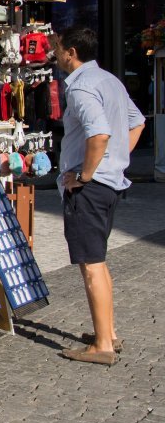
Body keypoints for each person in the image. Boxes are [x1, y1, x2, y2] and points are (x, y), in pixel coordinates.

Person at [54, 26, 144, 366]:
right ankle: (108, 332)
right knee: (98, 261)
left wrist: (85, 174)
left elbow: (100, 133)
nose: (55, 51)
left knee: (91, 264)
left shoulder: (81, 87)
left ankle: (103, 344)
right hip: (108, 183)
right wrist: (116, 162)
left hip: (90, 188)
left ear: (72, 52)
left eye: (58, 46)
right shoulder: (109, 80)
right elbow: (136, 124)